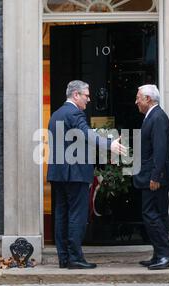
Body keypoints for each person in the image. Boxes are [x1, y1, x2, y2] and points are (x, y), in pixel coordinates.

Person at [47, 80, 127, 269]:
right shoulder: (75, 113)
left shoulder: (56, 114)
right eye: (86, 95)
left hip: (59, 174)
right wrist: (110, 144)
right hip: (75, 173)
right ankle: (75, 258)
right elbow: (87, 134)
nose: (89, 99)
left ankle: (64, 258)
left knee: (61, 215)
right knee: (77, 215)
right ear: (76, 95)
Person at [133, 84, 169, 270]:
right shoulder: (152, 116)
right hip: (155, 175)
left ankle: (167, 254)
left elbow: (160, 150)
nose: (136, 101)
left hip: (156, 177)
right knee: (159, 214)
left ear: (148, 99)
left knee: (150, 214)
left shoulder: (158, 117)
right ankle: (159, 254)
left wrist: (155, 177)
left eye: (138, 97)